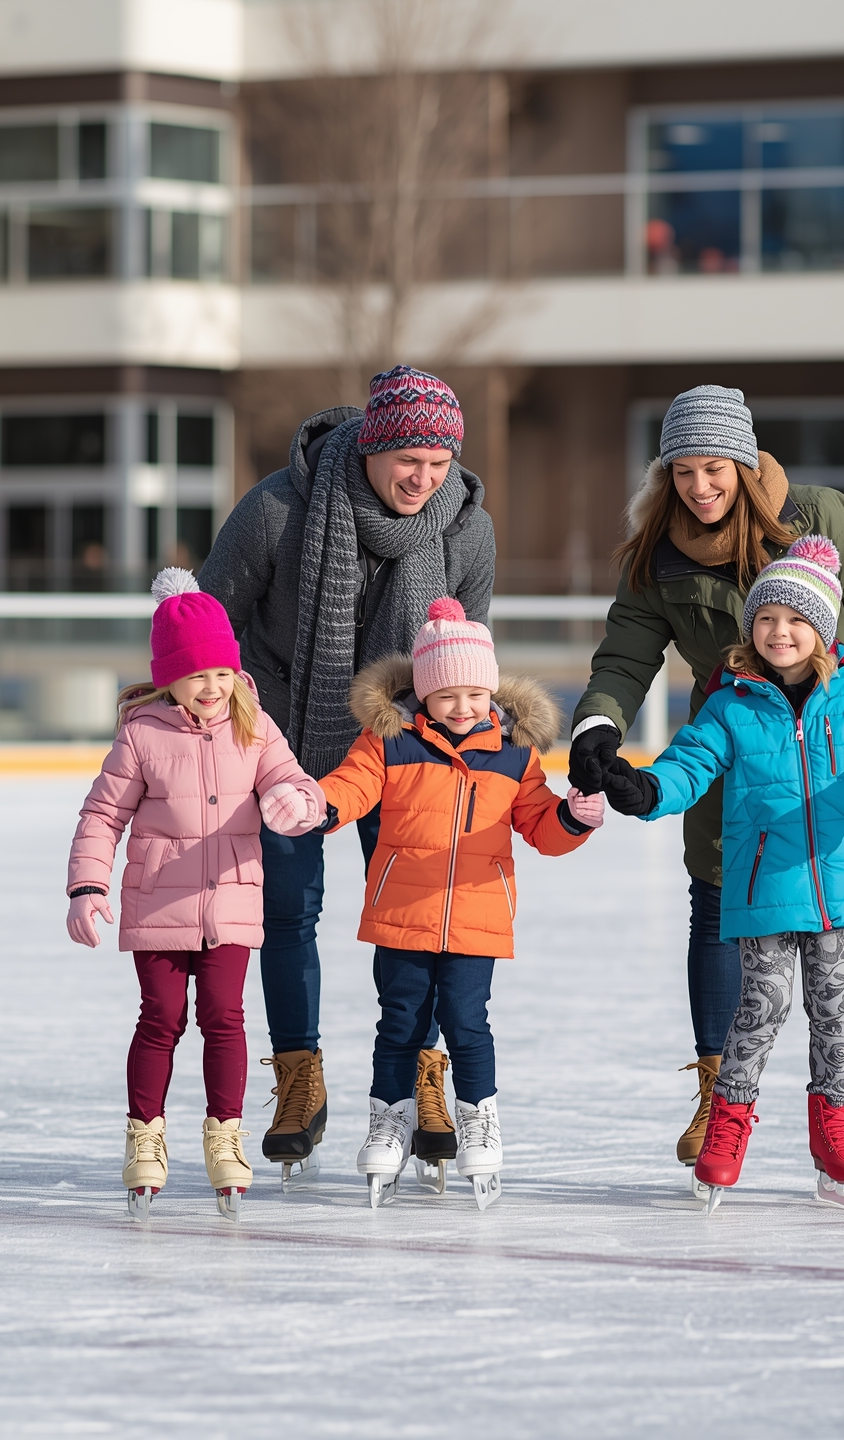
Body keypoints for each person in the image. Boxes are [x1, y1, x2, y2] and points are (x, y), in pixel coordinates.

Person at [568, 385, 844, 1173]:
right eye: (684, 470)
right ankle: (715, 1087)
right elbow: (626, 656)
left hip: (836, 755)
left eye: (715, 467)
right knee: (718, 907)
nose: (701, 486)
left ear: (743, 461)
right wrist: (597, 726)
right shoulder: (657, 548)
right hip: (730, 747)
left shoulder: (818, 513)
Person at [599, 537, 844, 1208]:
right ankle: (729, 1126)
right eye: (766, 619)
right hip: (765, 890)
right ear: (750, 628)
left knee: (837, 1015)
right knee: (760, 1011)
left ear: (823, 628)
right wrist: (646, 792)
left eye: (795, 620)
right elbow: (688, 766)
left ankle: (835, 1132)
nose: (779, 632)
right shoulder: (730, 705)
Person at [198, 367, 496, 1177]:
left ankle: (424, 1081)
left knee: (418, 921)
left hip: (407, 746)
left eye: (438, 462)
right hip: (287, 737)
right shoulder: (277, 510)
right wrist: (221, 732)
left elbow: (460, 657)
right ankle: (301, 1080)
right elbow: (207, 625)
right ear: (371, 443)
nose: (422, 478)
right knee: (289, 913)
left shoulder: (465, 529)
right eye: (408, 457)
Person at [314, 598, 604, 1208]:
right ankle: (389, 1123)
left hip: (477, 917)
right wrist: (322, 805)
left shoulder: (513, 754)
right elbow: (353, 786)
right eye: (446, 695)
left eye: (474, 694)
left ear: (492, 693)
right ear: (423, 696)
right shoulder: (389, 743)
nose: (462, 707)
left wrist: (572, 819)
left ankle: (479, 1119)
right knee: (400, 1024)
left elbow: (538, 824)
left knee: (469, 1024)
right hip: (403, 913)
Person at [64, 568, 327, 1221]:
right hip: (158, 900)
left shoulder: (254, 725)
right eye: (195, 675)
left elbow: (290, 779)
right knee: (160, 1019)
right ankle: (145, 1138)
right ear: (168, 677)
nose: (211, 687)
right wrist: (87, 884)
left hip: (232, 899)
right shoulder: (143, 733)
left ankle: (224, 1137)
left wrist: (297, 802)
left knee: (224, 1017)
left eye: (220, 673)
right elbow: (102, 816)